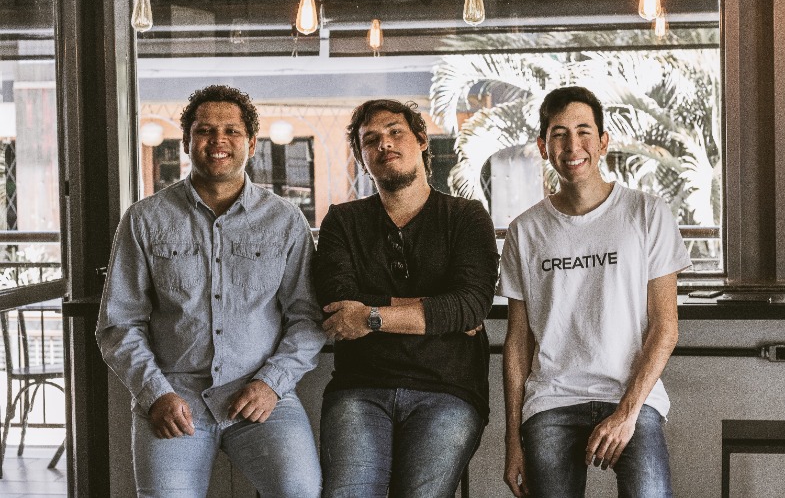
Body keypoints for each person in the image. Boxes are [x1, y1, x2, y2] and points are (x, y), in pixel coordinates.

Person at [96, 85, 325, 497]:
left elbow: (307, 319)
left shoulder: (286, 220)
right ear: (186, 142)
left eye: (232, 131)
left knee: (301, 492)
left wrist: (272, 382)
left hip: (261, 396)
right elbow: (118, 323)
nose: (218, 140)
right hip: (174, 399)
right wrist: (154, 393)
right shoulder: (144, 219)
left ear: (251, 143)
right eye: (204, 130)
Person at [499, 86, 692, 497]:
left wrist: (626, 413)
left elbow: (666, 329)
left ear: (603, 141)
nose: (574, 146)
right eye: (559, 134)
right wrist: (512, 440)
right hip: (551, 400)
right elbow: (517, 343)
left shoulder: (647, 214)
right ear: (543, 146)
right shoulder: (524, 231)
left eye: (584, 131)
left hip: (633, 397)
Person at [313, 99, 499, 497]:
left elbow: (470, 304)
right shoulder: (342, 221)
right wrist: (437, 310)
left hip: (448, 390)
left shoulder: (467, 217)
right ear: (362, 159)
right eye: (370, 140)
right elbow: (338, 304)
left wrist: (371, 316)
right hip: (360, 388)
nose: (384, 144)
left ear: (421, 140)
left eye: (395, 132)